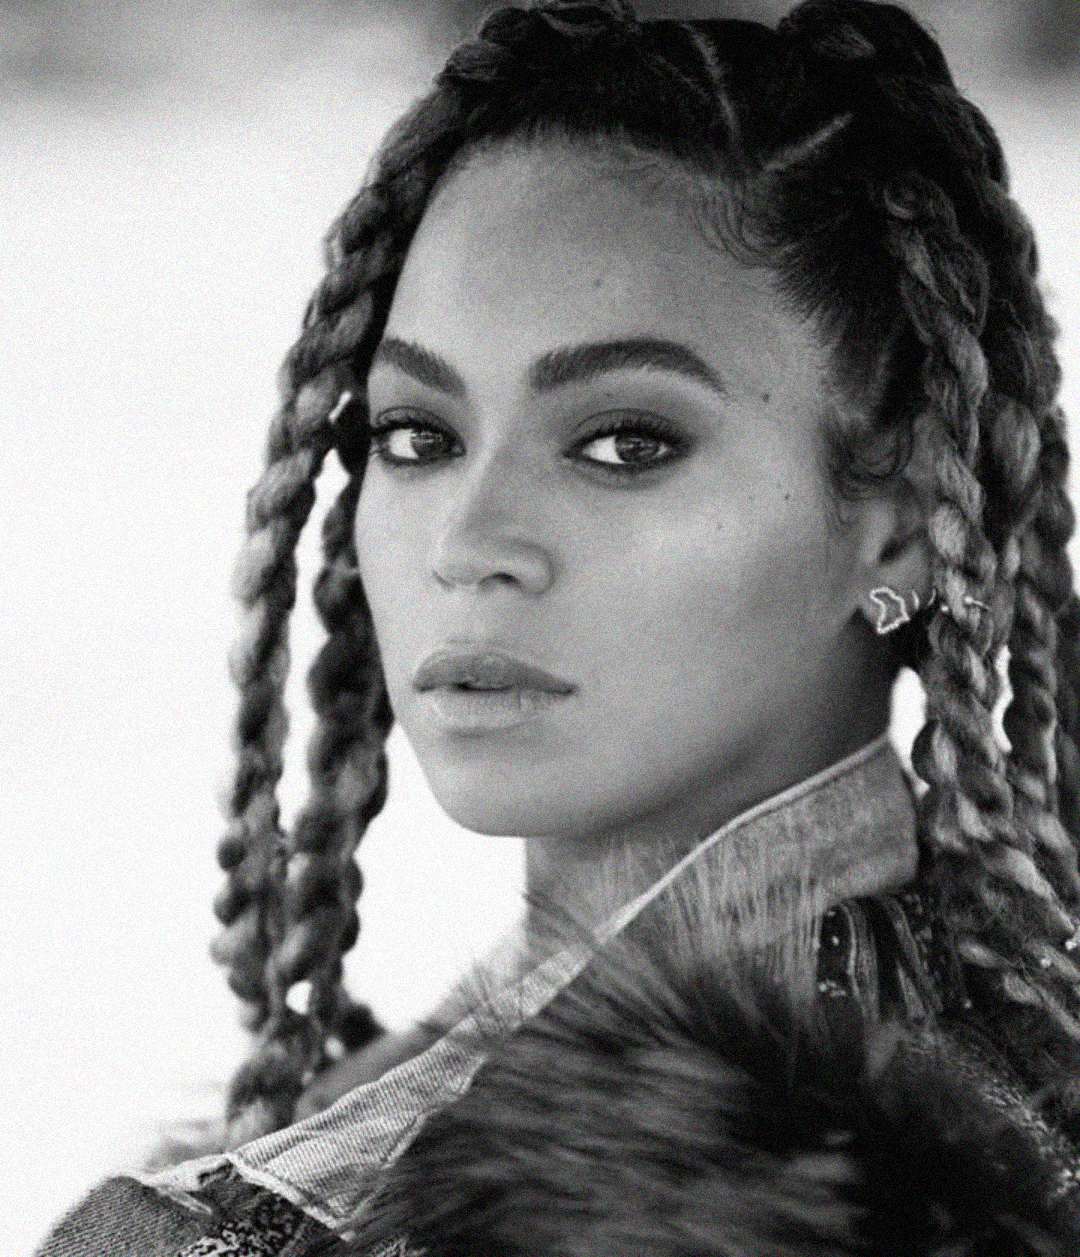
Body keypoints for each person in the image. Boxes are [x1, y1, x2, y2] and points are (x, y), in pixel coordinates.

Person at [37, 1, 1080, 1253]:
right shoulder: (965, 1067)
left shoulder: (807, 1208)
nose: (470, 544)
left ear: (904, 525)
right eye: (417, 437)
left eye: (625, 443)